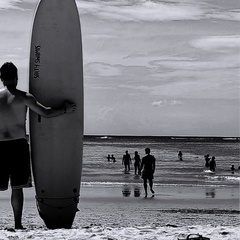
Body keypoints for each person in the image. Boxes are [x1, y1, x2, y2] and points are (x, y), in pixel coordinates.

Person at [0, 62, 76, 229]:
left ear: (1, 78)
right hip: (18, 145)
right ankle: (18, 224)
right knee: (17, 187)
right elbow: (46, 112)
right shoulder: (24, 97)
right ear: (17, 77)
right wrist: (65, 110)